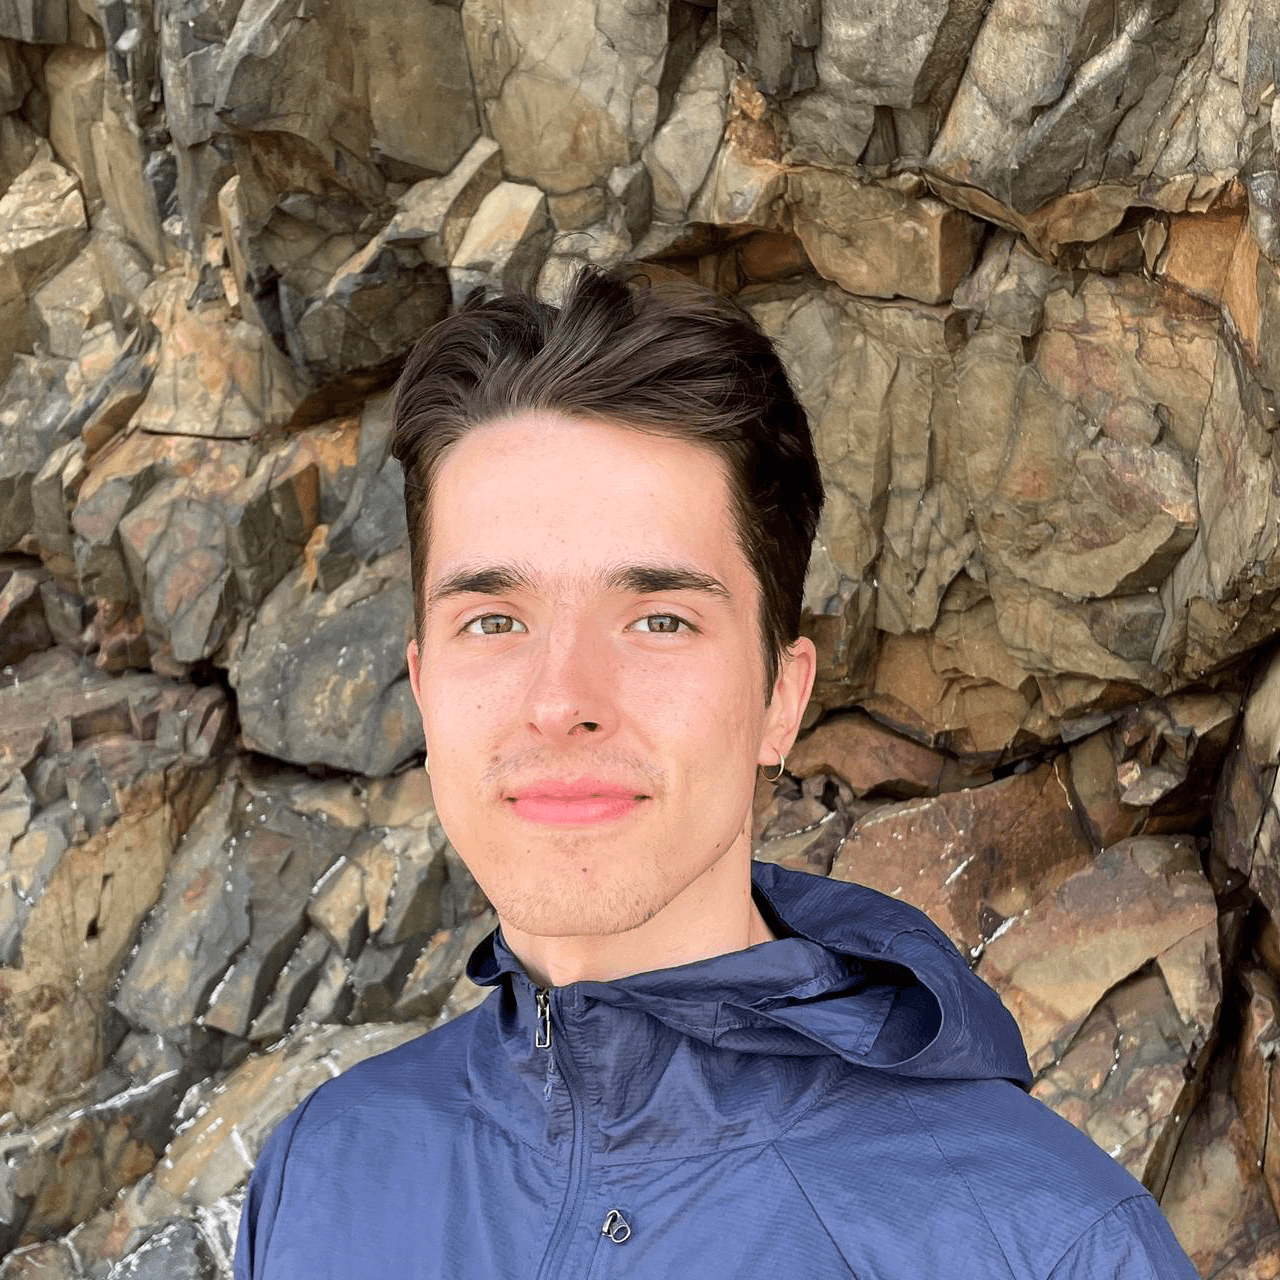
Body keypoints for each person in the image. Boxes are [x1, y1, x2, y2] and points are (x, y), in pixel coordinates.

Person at [234, 268, 1197, 1279]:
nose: (560, 696)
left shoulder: (1047, 1241)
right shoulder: (322, 1169)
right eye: (494, 619)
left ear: (779, 697)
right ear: (424, 684)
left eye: (658, 618)